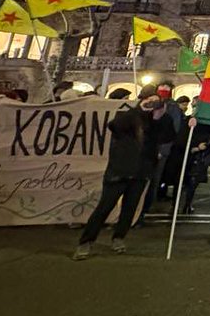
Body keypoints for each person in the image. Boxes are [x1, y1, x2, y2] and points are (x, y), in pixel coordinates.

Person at [74, 85, 179, 259]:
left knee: (130, 208)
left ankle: (119, 237)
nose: (153, 104)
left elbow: (168, 137)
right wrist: (141, 111)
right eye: (149, 100)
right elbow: (115, 126)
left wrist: (159, 118)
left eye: (156, 101)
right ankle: (86, 241)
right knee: (104, 207)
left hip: (142, 170)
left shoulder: (160, 120)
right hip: (120, 170)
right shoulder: (127, 115)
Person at [135, 81, 186, 226]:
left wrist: (161, 149)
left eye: (166, 90)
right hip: (140, 149)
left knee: (152, 181)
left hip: (159, 150)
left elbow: (172, 131)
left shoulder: (172, 109)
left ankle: (141, 213)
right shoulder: (144, 107)